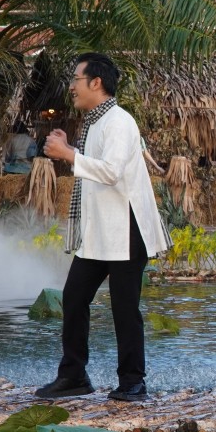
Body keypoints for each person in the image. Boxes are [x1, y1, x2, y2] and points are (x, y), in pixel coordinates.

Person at [35, 53, 172, 403]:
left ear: (96, 83)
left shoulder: (119, 121)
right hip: (99, 231)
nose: (71, 87)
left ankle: (133, 382)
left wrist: (67, 154)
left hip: (126, 227)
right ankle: (74, 376)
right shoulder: (94, 123)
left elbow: (110, 171)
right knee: (74, 296)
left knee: (124, 307)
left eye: (76, 80)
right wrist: (71, 148)